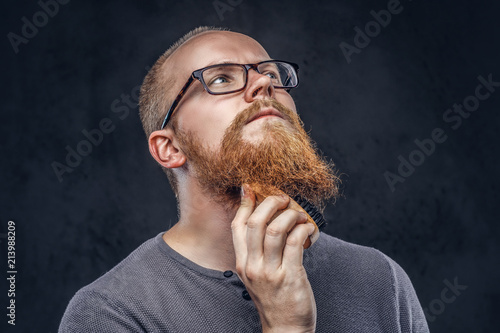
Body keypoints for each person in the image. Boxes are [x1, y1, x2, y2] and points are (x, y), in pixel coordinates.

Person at [59, 26, 430, 333]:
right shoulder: (111, 313)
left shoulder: (379, 280)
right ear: (169, 149)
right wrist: (285, 325)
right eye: (221, 78)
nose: (263, 85)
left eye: (271, 74)